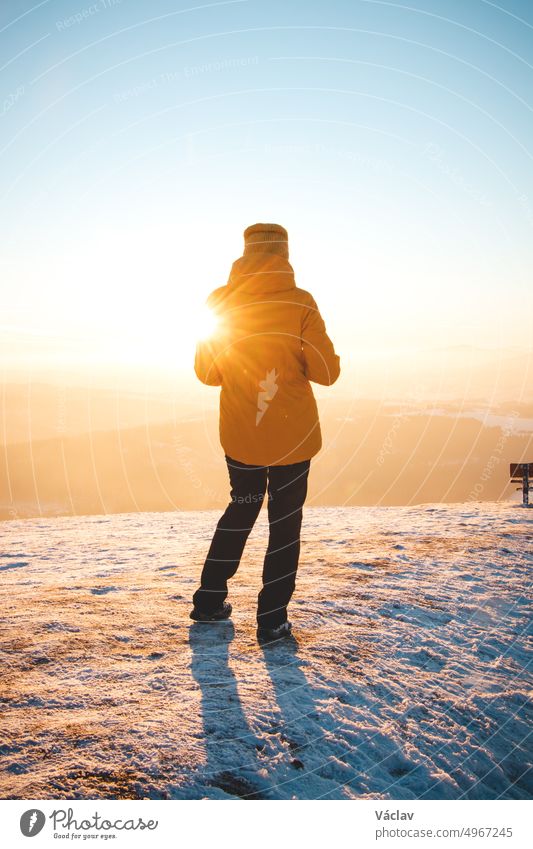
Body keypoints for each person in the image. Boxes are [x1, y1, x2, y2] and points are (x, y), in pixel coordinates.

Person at [190, 223, 340, 640]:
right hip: (292, 440)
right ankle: (272, 621)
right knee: (284, 524)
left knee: (242, 508)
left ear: (245, 252)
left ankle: (207, 602)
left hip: (242, 435)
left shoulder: (220, 302)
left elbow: (206, 372)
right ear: (285, 254)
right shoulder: (300, 303)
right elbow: (327, 373)